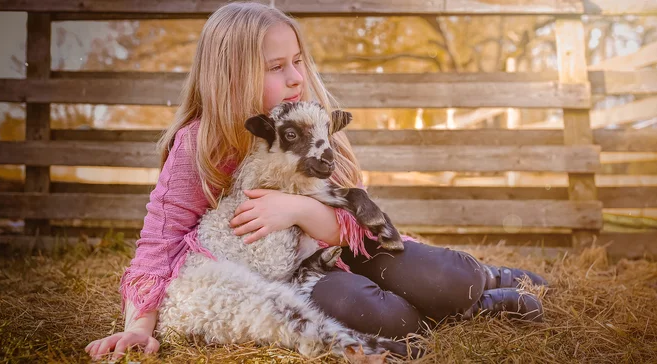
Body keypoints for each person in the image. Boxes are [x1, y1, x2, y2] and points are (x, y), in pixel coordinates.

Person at [85, 2, 547, 361]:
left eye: (298, 61)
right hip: (290, 277)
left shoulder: (312, 122)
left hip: (347, 246)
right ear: (232, 75)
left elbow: (351, 219)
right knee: (386, 317)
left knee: (446, 276)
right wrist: (138, 326)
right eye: (275, 67)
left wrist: (299, 210)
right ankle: (468, 310)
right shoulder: (200, 144)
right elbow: (159, 241)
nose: (295, 78)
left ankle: (488, 281)